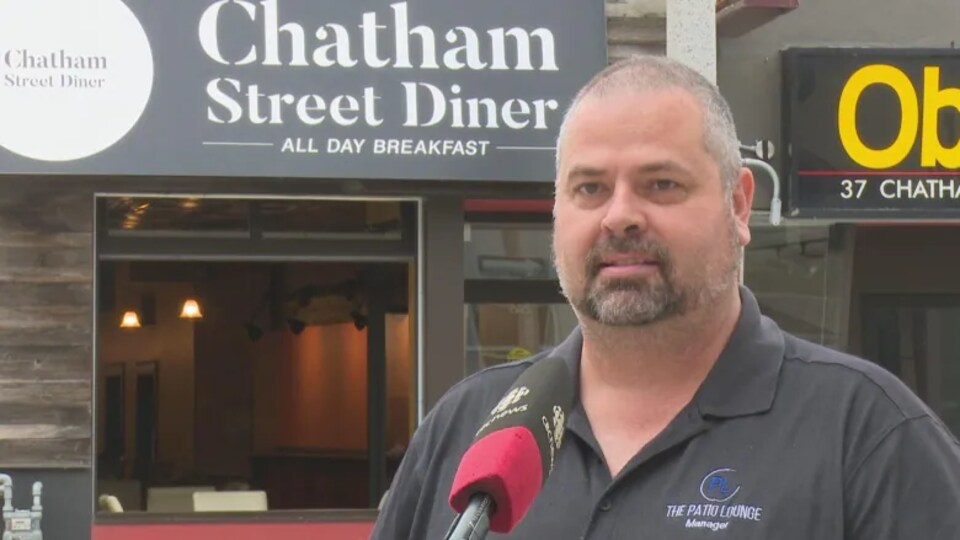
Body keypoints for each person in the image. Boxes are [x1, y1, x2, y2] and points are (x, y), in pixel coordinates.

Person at [370, 55, 960, 539]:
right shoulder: (465, 426)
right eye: (590, 188)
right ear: (556, 212)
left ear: (737, 204)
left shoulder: (871, 436)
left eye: (662, 184)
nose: (620, 216)